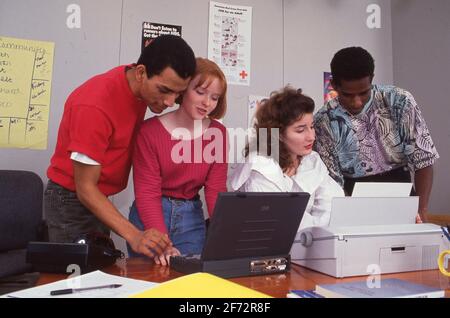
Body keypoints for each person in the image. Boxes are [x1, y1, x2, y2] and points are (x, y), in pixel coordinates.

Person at [45, 35, 196, 259]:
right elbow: (85, 188)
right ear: (141, 73)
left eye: (178, 94)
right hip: (72, 199)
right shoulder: (94, 105)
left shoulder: (138, 86)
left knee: (98, 276)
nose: (170, 102)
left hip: (98, 197)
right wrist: (135, 236)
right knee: (76, 283)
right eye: (164, 90)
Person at [314, 46, 439, 222]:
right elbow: (333, 182)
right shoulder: (323, 120)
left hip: (401, 189)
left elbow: (423, 159)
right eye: (348, 95)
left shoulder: (399, 101)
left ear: (372, 79)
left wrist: (422, 208)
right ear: (334, 85)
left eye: (363, 93)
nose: (357, 102)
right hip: (351, 195)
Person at [128, 57, 228, 265]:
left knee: (190, 285)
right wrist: (162, 243)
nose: (207, 103)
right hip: (150, 217)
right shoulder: (149, 131)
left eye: (215, 97)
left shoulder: (218, 133)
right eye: (200, 92)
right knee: (151, 284)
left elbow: (215, 190)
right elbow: (147, 193)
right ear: (182, 90)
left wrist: (225, 236)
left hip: (191, 219)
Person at [230, 86, 344, 230]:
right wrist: (316, 229)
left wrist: (316, 231)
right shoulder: (261, 167)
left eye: (312, 127)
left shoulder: (311, 159)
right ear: (279, 134)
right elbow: (282, 222)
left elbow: (334, 206)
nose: (311, 136)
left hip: (308, 246)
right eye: (300, 130)